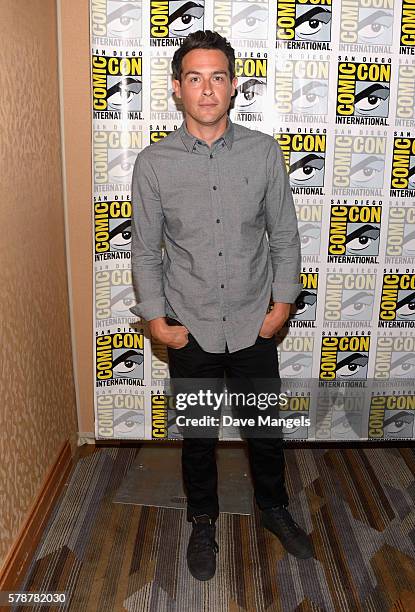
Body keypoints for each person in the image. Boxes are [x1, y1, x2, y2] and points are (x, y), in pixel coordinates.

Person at [130, 30, 313, 581]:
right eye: (194, 78)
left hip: (256, 321)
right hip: (193, 327)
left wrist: (282, 304)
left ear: (234, 87)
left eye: (217, 77)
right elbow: (145, 249)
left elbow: (284, 235)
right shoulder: (154, 163)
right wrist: (159, 319)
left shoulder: (263, 152)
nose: (206, 89)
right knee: (200, 435)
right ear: (176, 88)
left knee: (265, 429)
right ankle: (203, 520)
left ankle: (275, 508)